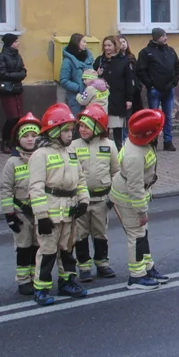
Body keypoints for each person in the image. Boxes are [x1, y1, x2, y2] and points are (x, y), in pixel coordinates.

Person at [28, 104, 90, 307]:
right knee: (47, 252)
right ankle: (41, 288)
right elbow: (36, 187)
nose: (69, 134)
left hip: (69, 211)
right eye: (65, 130)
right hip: (51, 213)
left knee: (66, 249)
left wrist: (83, 201)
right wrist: (41, 216)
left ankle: (67, 281)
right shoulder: (40, 155)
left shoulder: (71, 151)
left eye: (70, 129)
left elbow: (80, 179)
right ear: (54, 131)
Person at [111, 109, 170, 290]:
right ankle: (136, 276)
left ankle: (147, 267)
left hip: (133, 195)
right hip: (128, 199)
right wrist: (141, 211)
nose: (160, 132)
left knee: (142, 234)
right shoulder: (135, 155)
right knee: (136, 236)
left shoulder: (140, 143)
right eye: (158, 130)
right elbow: (135, 188)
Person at [68, 103, 119, 282]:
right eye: (80, 126)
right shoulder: (72, 146)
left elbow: (116, 173)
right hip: (80, 201)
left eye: (86, 126)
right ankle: (84, 266)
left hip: (101, 200)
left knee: (100, 233)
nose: (82, 129)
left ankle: (102, 263)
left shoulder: (110, 146)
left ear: (98, 127)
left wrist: (113, 197)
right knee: (80, 235)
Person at [0, 112, 42, 296]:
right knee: (23, 247)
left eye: (34, 135)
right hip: (21, 213)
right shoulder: (12, 163)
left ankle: (34, 277)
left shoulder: (43, 158)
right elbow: (5, 189)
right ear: (18, 139)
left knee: (37, 246)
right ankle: (23, 280)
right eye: (26, 136)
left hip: (40, 212)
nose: (30, 139)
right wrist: (9, 215)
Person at [137, 28, 179, 151]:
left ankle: (168, 141)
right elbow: (141, 70)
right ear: (156, 37)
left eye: (166, 35)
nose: (166, 38)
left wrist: (175, 81)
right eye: (163, 36)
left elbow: (177, 65)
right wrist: (150, 84)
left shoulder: (170, 51)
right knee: (153, 117)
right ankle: (153, 140)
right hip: (154, 90)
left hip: (169, 89)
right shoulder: (146, 52)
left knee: (168, 116)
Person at [94, 35, 135, 148]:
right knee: (102, 127)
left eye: (109, 45)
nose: (107, 48)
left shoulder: (124, 61)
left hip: (118, 98)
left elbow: (129, 81)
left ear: (115, 46)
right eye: (105, 45)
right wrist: (96, 74)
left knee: (117, 128)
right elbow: (90, 78)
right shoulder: (100, 60)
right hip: (102, 99)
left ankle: (118, 150)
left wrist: (129, 99)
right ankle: (103, 149)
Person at [0, 32, 27, 154]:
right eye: (16, 42)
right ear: (10, 43)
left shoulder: (17, 56)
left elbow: (23, 71)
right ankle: (5, 141)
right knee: (11, 117)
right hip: (6, 90)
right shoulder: (1, 56)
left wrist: (16, 75)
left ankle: (15, 141)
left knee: (18, 117)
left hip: (17, 89)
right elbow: (2, 73)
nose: (18, 43)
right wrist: (17, 75)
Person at [59, 33, 94, 116]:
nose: (86, 44)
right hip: (75, 98)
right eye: (84, 42)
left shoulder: (88, 58)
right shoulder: (67, 61)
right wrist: (79, 88)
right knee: (76, 123)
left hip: (89, 97)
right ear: (77, 42)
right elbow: (63, 80)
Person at [118, 34, 144, 115]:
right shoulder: (117, 58)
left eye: (124, 42)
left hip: (135, 90)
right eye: (120, 43)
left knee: (136, 113)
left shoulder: (131, 57)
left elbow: (137, 72)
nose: (123, 44)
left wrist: (138, 85)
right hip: (124, 90)